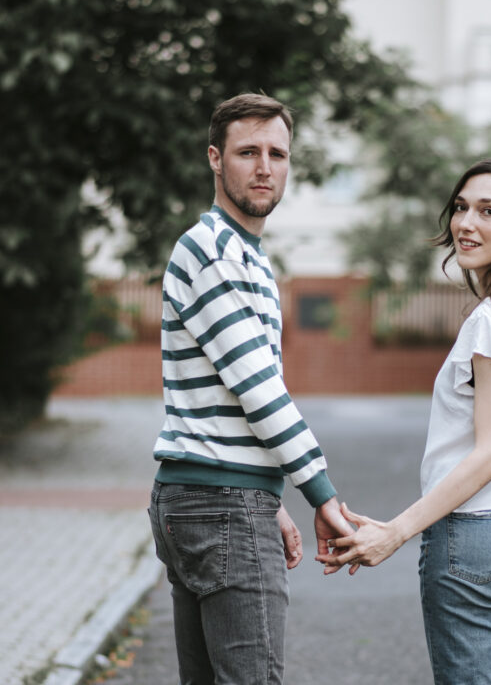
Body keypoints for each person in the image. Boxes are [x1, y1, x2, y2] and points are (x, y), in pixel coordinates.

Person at [323, 157, 491, 685]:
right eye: (460, 207)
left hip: (478, 536)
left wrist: (396, 532)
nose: (466, 224)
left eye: (488, 211)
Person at [149, 93, 350, 685]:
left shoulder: (245, 254)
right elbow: (259, 388)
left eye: (277, 154)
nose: (264, 167)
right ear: (215, 158)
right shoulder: (215, 250)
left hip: (212, 496)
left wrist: (269, 498)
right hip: (220, 505)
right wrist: (321, 494)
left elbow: (229, 396)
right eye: (247, 152)